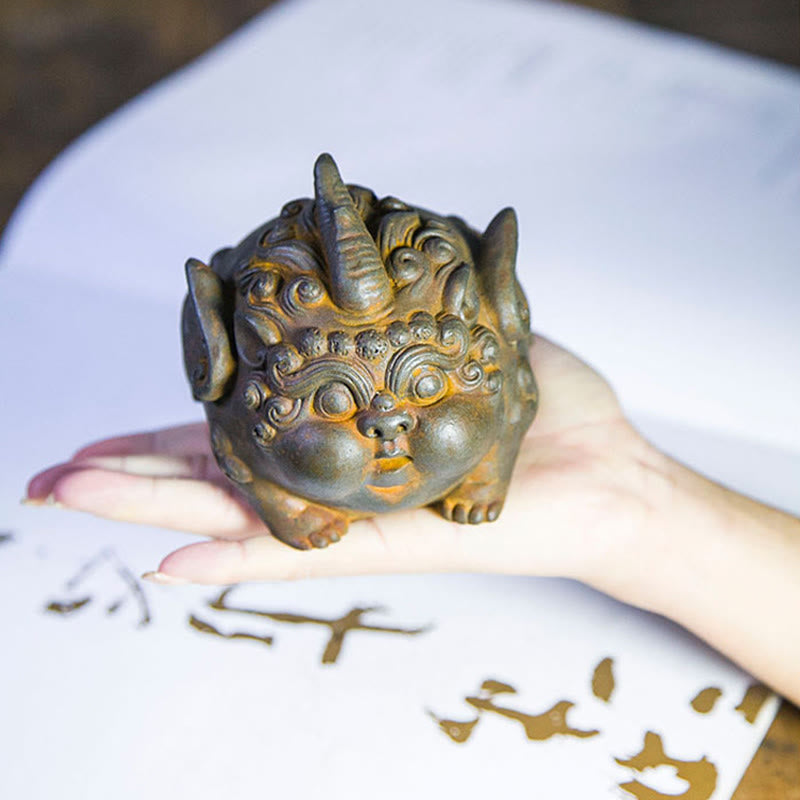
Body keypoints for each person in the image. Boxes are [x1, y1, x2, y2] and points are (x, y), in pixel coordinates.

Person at [26, 336, 800, 706]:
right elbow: (238, 437)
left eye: (425, 391)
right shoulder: (246, 426)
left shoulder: (504, 398)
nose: (389, 432)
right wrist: (283, 493)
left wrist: (626, 502)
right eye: (337, 403)